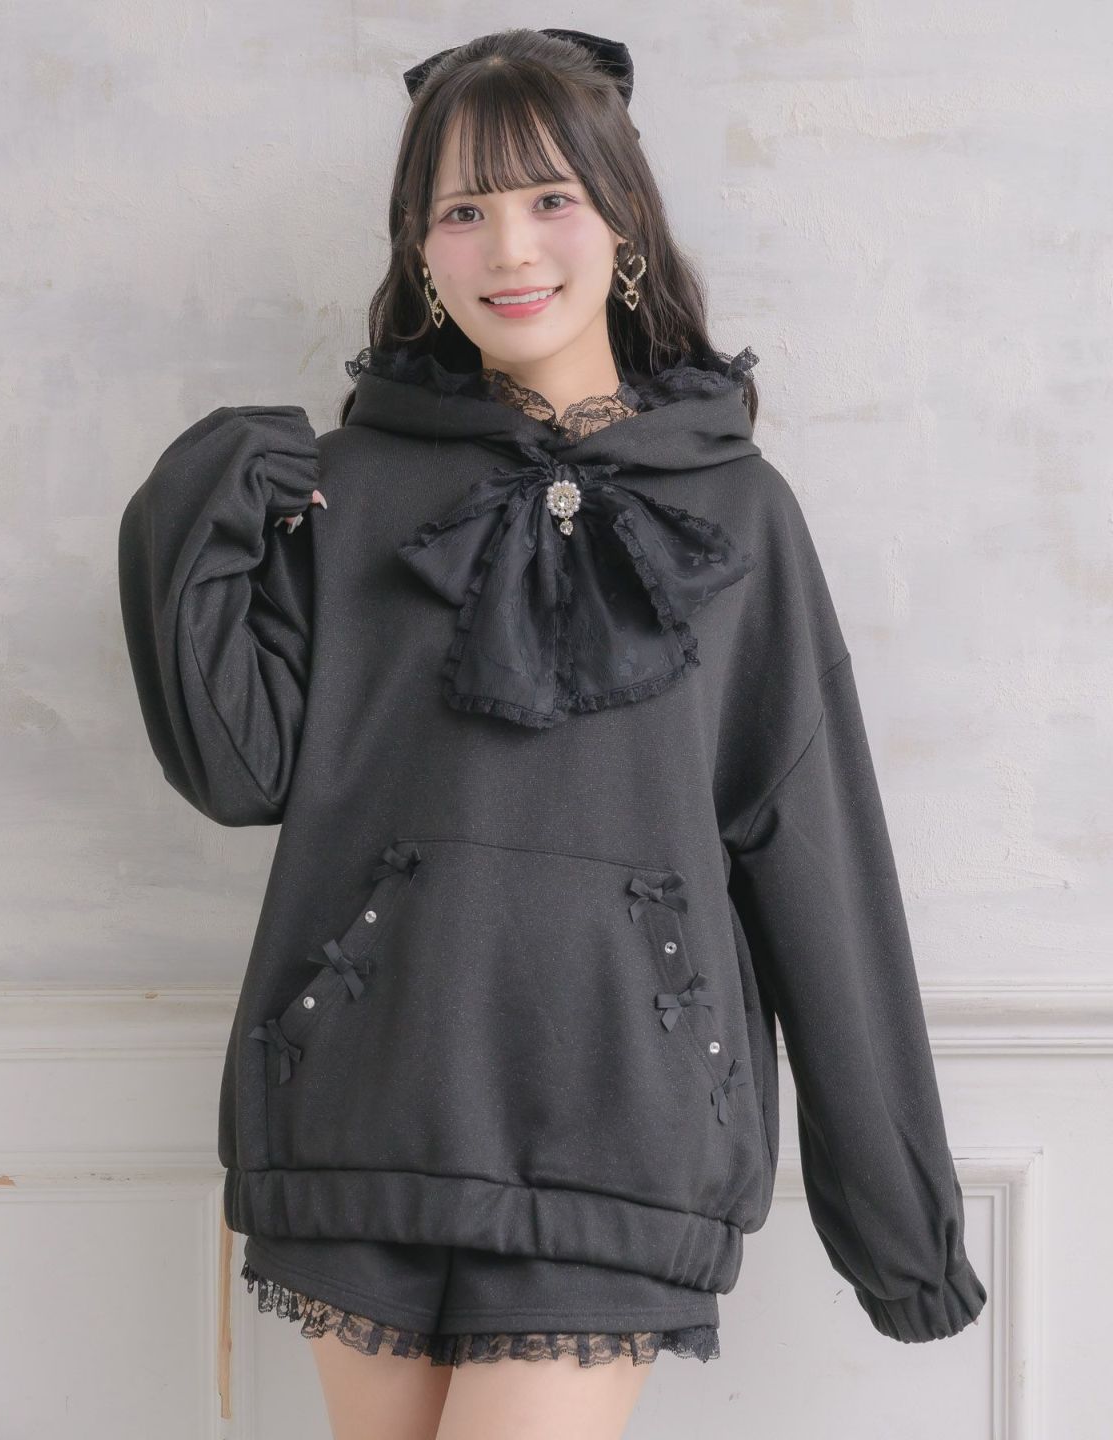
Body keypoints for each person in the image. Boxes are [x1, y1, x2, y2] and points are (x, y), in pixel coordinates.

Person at [117, 26, 987, 1440]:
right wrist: (202, 506)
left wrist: (903, 1234)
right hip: (365, 1110)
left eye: (548, 198)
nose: (509, 248)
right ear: (420, 250)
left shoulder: (742, 514)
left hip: (623, 1128)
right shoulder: (342, 493)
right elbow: (239, 770)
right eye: (461, 210)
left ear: (622, 222)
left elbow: (816, 857)